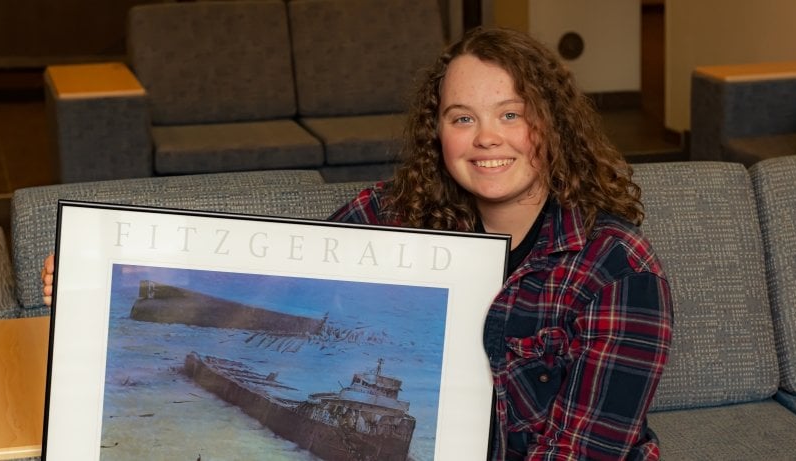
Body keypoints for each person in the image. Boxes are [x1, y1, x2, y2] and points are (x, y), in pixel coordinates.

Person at [43, 27, 672, 460]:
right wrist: (97, 276)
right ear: (439, 133)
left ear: (552, 124)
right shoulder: (398, 215)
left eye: (511, 114)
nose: (487, 139)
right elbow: (275, 269)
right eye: (462, 118)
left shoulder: (616, 268)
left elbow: (582, 451)